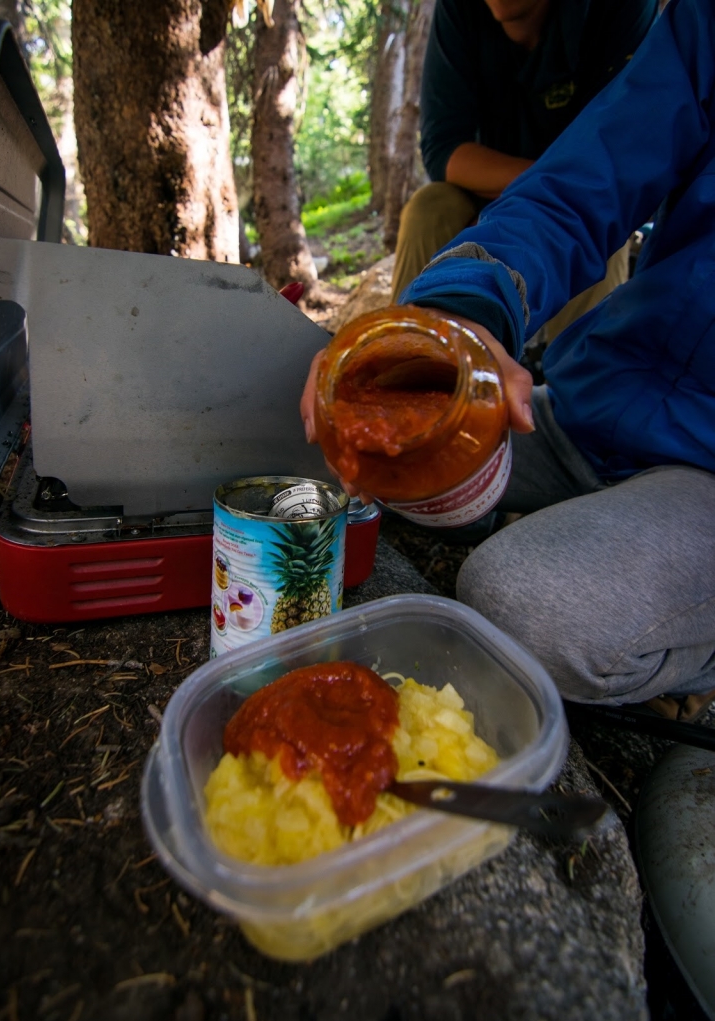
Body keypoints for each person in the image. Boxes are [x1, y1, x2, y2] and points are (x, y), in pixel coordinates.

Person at [302, 0, 715, 718]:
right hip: (605, 397)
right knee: (354, 443)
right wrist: (461, 307)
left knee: (521, 600)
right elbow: (585, 181)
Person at [390, 0, 657, 347]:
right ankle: (399, 355)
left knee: (604, 229)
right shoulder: (459, 12)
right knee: (428, 207)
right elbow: (443, 148)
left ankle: (572, 385)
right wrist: (541, 182)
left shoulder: (616, 12)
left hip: (586, 192)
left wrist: (559, 192)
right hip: (492, 190)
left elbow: (626, 149)